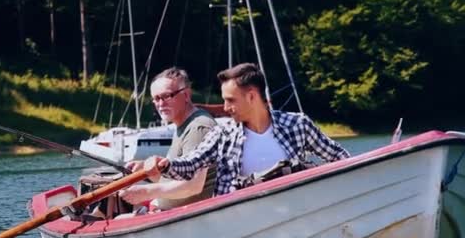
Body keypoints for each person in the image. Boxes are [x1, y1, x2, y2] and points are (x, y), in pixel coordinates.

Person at [141, 62, 350, 196]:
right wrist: (165, 164)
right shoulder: (223, 134)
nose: (224, 108)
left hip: (295, 217)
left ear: (251, 96)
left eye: (230, 100)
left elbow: (340, 157)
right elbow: (192, 163)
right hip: (239, 225)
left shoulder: (298, 125)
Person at [118, 67, 217, 211]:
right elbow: (174, 180)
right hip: (163, 211)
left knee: (110, 218)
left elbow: (194, 186)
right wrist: (147, 170)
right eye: (156, 98)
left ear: (186, 95)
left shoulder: (198, 128)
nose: (160, 104)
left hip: (185, 219)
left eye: (167, 96)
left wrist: (147, 192)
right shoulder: (182, 124)